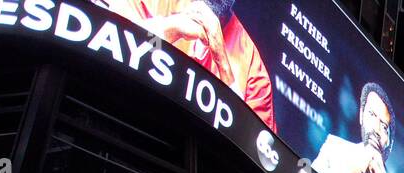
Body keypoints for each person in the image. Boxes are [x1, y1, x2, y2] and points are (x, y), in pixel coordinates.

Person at [95, 0, 276, 130]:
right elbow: (97, 41)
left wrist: (222, 62)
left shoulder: (253, 65)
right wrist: (167, 30)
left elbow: (254, 151)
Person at [312, 82, 404, 173]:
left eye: (383, 126)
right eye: (371, 115)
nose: (376, 129)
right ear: (361, 115)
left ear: (389, 140)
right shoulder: (333, 147)